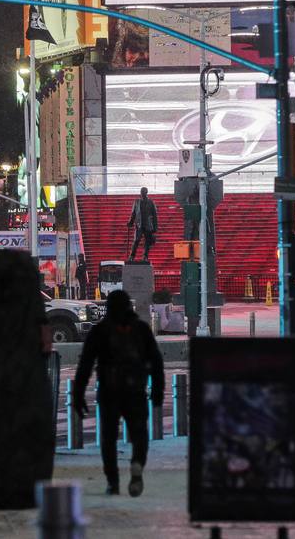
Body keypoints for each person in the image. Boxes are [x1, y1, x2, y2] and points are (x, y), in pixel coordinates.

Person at [72, 290, 164, 497]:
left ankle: (113, 482)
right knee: (139, 434)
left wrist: (78, 395)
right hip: (136, 390)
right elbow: (156, 362)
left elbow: (85, 364)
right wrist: (158, 391)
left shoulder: (100, 331)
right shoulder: (141, 329)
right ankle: (137, 463)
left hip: (109, 391)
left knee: (108, 438)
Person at [126, 187, 158, 261]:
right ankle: (131, 256)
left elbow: (155, 215)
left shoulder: (151, 202)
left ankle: (145, 257)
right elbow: (133, 213)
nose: (142, 194)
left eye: (143, 193)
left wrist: (155, 228)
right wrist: (130, 222)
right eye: (141, 192)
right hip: (139, 225)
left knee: (147, 242)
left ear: (146, 193)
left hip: (148, 225)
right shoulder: (137, 202)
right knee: (136, 241)